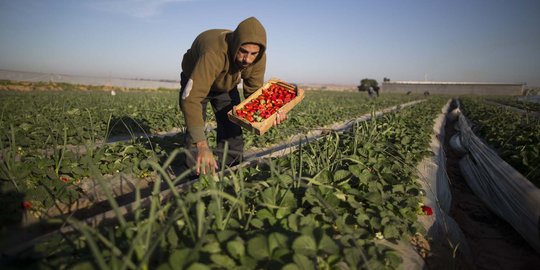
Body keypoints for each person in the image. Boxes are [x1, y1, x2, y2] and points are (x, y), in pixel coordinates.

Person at [178, 17, 286, 176]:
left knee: (232, 127)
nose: (247, 59)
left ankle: (231, 173)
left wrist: (271, 112)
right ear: (236, 45)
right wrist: (202, 146)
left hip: (226, 85)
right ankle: (195, 179)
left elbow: (254, 93)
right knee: (195, 131)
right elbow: (191, 99)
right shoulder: (213, 53)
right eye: (243, 52)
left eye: (253, 54)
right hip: (197, 78)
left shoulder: (258, 59)